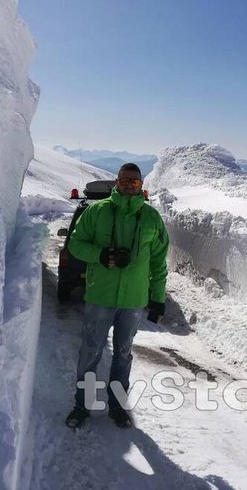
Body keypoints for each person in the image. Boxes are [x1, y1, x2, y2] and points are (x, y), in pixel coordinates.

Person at [64, 163, 169, 428]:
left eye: (134, 182)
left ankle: (117, 406)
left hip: (133, 302)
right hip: (100, 296)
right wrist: (99, 255)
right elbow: (75, 244)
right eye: (124, 180)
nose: (128, 185)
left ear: (141, 185)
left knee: (123, 354)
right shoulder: (96, 212)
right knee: (90, 352)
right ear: (116, 181)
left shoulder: (151, 218)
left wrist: (157, 299)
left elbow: (158, 262)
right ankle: (82, 405)